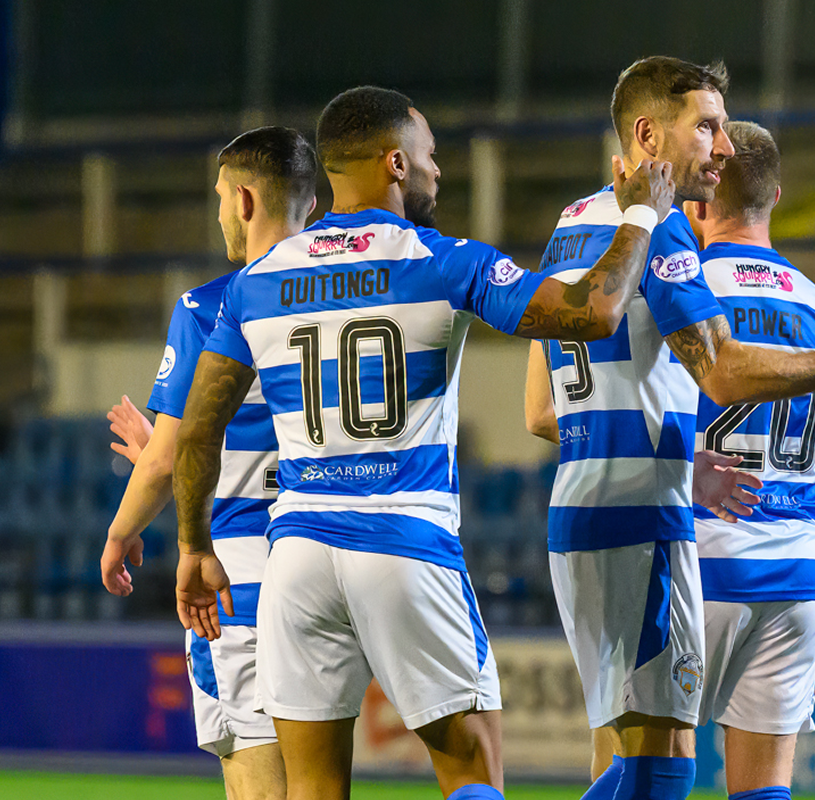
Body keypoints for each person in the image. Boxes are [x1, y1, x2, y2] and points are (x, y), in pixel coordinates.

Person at [166, 84, 685, 800]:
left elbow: (196, 432)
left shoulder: (256, 282)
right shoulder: (443, 261)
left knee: (311, 789)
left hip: (298, 562)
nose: (439, 169)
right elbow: (595, 312)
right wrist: (640, 214)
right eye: (430, 154)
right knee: (470, 774)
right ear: (396, 164)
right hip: (403, 541)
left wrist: (195, 546)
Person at [528, 57, 815, 800]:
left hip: (615, 515)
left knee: (640, 764)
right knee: (668, 772)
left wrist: (682, 459)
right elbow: (731, 379)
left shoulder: (573, 225)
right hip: (720, 550)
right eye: (707, 128)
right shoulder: (699, 255)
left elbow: (540, 411)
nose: (721, 147)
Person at [96, 126, 319, 800]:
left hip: (242, 575)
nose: (219, 211)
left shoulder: (209, 306)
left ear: (245, 201)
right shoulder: (345, 296)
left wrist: (120, 531)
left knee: (258, 782)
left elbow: (168, 458)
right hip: (330, 558)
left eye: (221, 196)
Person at [681, 121, 815, 800]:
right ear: (777, 196)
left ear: (699, 197)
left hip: (696, 564)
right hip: (794, 577)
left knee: (640, 772)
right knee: (765, 792)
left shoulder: (682, 294)